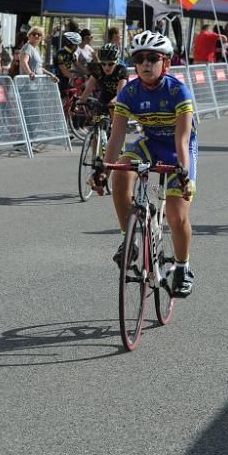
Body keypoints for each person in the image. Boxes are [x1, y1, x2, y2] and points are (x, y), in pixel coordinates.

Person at [90, 31, 196, 298]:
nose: (146, 63)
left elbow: (182, 139)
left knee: (176, 213)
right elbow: (116, 138)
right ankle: (130, 239)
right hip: (150, 142)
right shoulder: (130, 92)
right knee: (121, 172)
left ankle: (183, 267)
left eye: (153, 58)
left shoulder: (178, 91)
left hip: (177, 149)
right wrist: (104, 167)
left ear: (166, 63)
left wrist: (184, 174)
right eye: (139, 58)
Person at [78, 44, 128, 112]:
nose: (106, 67)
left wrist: (114, 101)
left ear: (116, 62)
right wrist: (81, 102)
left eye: (111, 64)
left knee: (114, 118)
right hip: (104, 99)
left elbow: (121, 92)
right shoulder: (98, 68)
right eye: (103, 64)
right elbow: (88, 88)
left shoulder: (121, 69)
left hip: (120, 99)